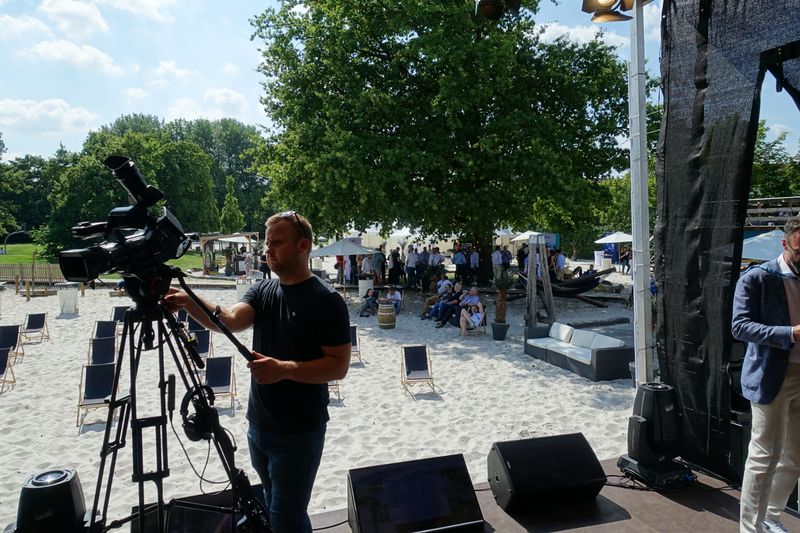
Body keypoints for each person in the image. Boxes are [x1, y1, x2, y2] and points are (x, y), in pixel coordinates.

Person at [164, 211, 350, 533]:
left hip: (299, 432)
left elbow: (339, 365)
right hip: (259, 426)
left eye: (277, 243)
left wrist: (285, 369)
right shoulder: (264, 290)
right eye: (267, 243)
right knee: (277, 507)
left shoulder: (326, 300)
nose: (268, 250)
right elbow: (231, 319)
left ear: (302, 245)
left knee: (285, 517)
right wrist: (188, 301)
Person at [732, 217, 800, 533]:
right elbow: (740, 326)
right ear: (784, 244)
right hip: (773, 376)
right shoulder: (757, 278)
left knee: (795, 458)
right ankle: (750, 529)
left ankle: (772, 516)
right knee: (764, 458)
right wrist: (790, 333)